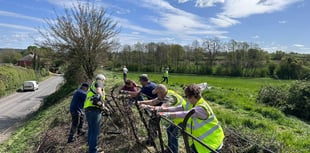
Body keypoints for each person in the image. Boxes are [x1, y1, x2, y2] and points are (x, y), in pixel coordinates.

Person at [154, 84, 224, 153]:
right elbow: (178, 108)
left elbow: (185, 114)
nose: (187, 99)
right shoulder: (191, 103)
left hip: (211, 142)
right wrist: (161, 110)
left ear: (193, 96)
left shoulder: (201, 108)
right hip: (198, 141)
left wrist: (166, 114)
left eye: (187, 96)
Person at [139, 84, 186, 153]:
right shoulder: (165, 94)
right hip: (177, 119)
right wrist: (140, 102)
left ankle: (173, 151)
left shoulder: (170, 97)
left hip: (184, 119)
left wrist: (146, 107)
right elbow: (153, 102)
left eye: (157, 93)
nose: (157, 95)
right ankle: (170, 149)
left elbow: (162, 109)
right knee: (169, 130)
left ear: (161, 92)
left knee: (173, 135)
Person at [84, 74, 107, 153]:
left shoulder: (92, 86)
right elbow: (99, 91)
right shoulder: (99, 82)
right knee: (95, 131)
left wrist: (103, 106)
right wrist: (103, 104)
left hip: (88, 110)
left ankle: (91, 149)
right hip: (94, 110)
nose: (104, 83)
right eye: (104, 81)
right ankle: (93, 151)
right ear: (102, 80)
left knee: (91, 130)